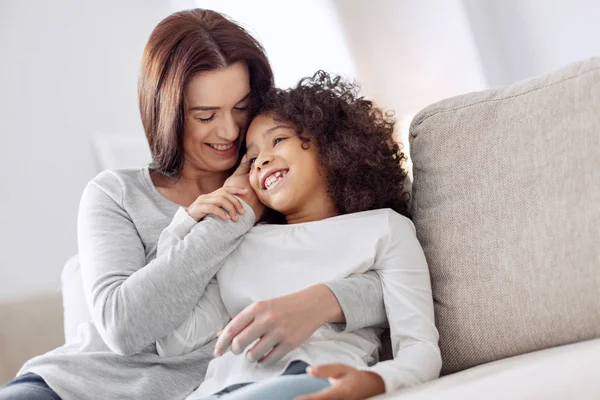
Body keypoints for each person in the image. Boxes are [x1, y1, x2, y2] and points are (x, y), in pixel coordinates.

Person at [0, 10, 388, 400]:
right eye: (205, 115)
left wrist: (324, 301)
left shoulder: (280, 183)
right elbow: (123, 326)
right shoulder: (116, 193)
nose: (229, 131)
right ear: (166, 114)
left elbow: (387, 270)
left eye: (241, 107)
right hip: (73, 389)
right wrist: (234, 217)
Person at [154, 72, 442, 400]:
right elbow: (173, 341)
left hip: (309, 379)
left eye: (278, 140)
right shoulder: (243, 244)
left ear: (331, 144)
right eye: (251, 158)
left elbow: (420, 349)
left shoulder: (385, 229)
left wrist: (373, 382)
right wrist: (184, 224)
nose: (261, 160)